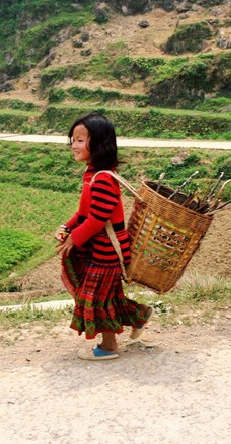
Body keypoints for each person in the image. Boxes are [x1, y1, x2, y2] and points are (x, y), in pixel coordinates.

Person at [55, 111, 153, 360]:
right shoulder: (92, 175)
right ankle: (139, 314)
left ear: (98, 144)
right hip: (99, 247)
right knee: (108, 295)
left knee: (96, 297)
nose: (73, 145)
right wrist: (67, 227)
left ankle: (109, 347)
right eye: (73, 140)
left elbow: (98, 219)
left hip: (106, 250)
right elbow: (83, 213)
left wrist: (73, 239)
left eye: (79, 140)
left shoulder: (102, 180)